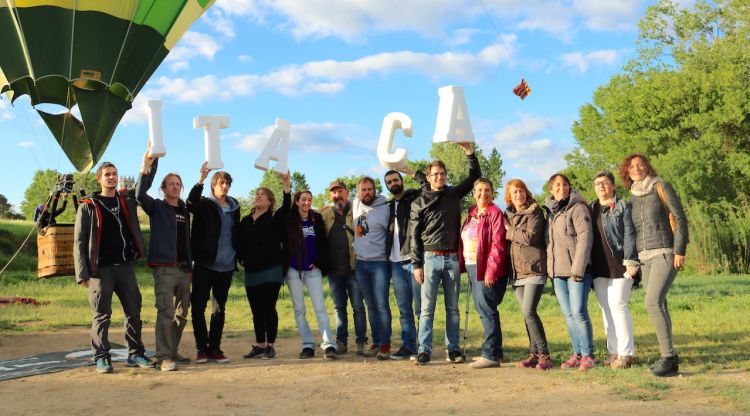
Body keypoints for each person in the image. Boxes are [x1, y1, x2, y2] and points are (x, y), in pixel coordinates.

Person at [73, 161, 154, 374]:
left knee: (134, 311)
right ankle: (101, 357)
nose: (111, 177)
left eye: (114, 174)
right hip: (101, 270)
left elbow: (145, 183)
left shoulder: (125, 199)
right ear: (99, 179)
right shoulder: (88, 205)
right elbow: (80, 241)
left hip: (125, 266)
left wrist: (150, 162)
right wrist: (82, 272)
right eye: (107, 174)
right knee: (101, 314)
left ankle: (135, 354)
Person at [409, 141, 481, 365]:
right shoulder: (419, 202)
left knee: (453, 309)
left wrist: (469, 152)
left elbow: (473, 178)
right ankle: (425, 350)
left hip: (451, 258)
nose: (439, 177)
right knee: (427, 309)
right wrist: (417, 264)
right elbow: (414, 235)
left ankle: (453, 350)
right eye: (435, 174)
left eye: (442, 173)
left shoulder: (453, 194)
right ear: (428, 177)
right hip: (429, 259)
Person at [620, 154, 688, 377]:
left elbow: (680, 217)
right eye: (632, 167)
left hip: (666, 252)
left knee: (652, 303)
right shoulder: (633, 197)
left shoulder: (661, 186)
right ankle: (670, 357)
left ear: (648, 167)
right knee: (660, 305)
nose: (637, 169)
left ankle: (668, 357)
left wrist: (680, 249)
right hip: (645, 257)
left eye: (641, 165)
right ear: (627, 172)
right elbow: (633, 231)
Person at [136, 149, 192, 371]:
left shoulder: (185, 210)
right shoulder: (157, 207)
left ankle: (172, 350)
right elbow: (139, 194)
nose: (175, 187)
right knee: (165, 312)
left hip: (184, 269)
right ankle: (163, 357)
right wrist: (145, 165)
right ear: (163, 188)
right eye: (171, 184)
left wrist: (190, 266)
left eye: (178, 184)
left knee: (181, 313)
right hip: (165, 269)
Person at [187, 163, 240, 364]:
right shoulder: (204, 204)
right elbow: (190, 203)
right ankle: (202, 349)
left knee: (219, 309)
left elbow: (236, 234)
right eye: (221, 183)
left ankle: (215, 349)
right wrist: (200, 179)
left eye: (227, 183)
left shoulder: (235, 208)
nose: (225, 187)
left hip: (226, 267)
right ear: (213, 186)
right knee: (198, 307)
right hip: (204, 265)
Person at [544, 173, 595, 372]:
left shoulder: (578, 207)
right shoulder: (551, 211)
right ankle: (577, 353)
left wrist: (578, 269)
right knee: (568, 315)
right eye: (557, 185)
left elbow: (585, 238)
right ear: (551, 189)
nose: (561, 188)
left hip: (577, 270)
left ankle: (589, 355)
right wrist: (551, 270)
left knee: (579, 313)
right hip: (558, 271)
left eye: (565, 184)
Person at [238, 171, 291, 360]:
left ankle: (270, 346)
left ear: (270, 202)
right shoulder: (245, 220)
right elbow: (238, 242)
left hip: (271, 270)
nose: (258, 196)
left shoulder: (275, 218)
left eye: (263, 194)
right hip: (251, 271)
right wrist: (241, 259)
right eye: (257, 193)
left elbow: (287, 207)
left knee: (269, 308)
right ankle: (260, 345)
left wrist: (286, 185)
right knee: (256, 310)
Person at [589, 171, 639, 369]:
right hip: (599, 267)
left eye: (605, 182)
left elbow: (630, 234)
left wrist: (631, 260)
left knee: (619, 305)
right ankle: (614, 352)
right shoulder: (591, 208)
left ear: (613, 186)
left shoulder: (622, 205)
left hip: (620, 264)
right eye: (597, 183)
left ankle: (627, 354)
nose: (601, 186)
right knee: (606, 309)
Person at [458, 178, 508, 369]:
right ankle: (496, 352)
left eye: (487, 190)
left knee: (486, 310)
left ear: (492, 193)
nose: (483, 193)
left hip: (486, 267)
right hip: (472, 266)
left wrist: (490, 271)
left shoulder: (495, 213)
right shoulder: (472, 213)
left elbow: (497, 244)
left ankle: (490, 355)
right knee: (484, 309)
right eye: (479, 190)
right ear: (473, 193)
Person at [504, 178, 551, 370]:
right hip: (517, 272)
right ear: (509, 197)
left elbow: (530, 238)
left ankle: (544, 355)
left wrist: (509, 230)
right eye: (515, 192)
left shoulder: (535, 212)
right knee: (526, 314)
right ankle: (533, 353)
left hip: (534, 268)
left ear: (527, 192)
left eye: (521, 190)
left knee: (529, 311)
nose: (519, 194)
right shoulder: (508, 214)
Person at [286, 190, 337, 359]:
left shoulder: (316, 219)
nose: (306, 203)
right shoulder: (289, 220)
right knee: (299, 309)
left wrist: (319, 262)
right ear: (296, 202)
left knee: (320, 308)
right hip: (293, 270)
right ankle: (307, 345)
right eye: (303, 200)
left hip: (313, 269)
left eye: (309, 200)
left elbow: (323, 243)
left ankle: (329, 345)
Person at [319, 180, 368, 356]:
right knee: (339, 308)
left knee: (358, 307)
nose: (337, 195)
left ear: (347, 193)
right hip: (334, 270)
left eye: (340, 191)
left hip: (354, 268)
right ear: (330, 195)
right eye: (333, 192)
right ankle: (341, 342)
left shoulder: (357, 211)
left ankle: (362, 342)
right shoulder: (324, 214)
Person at [384, 167, 426, 360]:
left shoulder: (414, 197)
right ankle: (409, 345)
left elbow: (428, 187)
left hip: (413, 261)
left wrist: (412, 172)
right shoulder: (388, 205)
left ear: (401, 180)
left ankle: (424, 346)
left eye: (395, 180)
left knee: (420, 307)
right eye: (389, 182)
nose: (393, 184)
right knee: (404, 308)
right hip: (395, 263)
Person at [352, 176, 392, 359]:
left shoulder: (385, 208)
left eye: (369, 189)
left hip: (379, 263)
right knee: (370, 306)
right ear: (358, 192)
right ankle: (376, 341)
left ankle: (385, 344)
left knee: (381, 305)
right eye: (363, 189)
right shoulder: (355, 205)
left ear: (375, 190)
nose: (366, 192)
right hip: (361, 263)